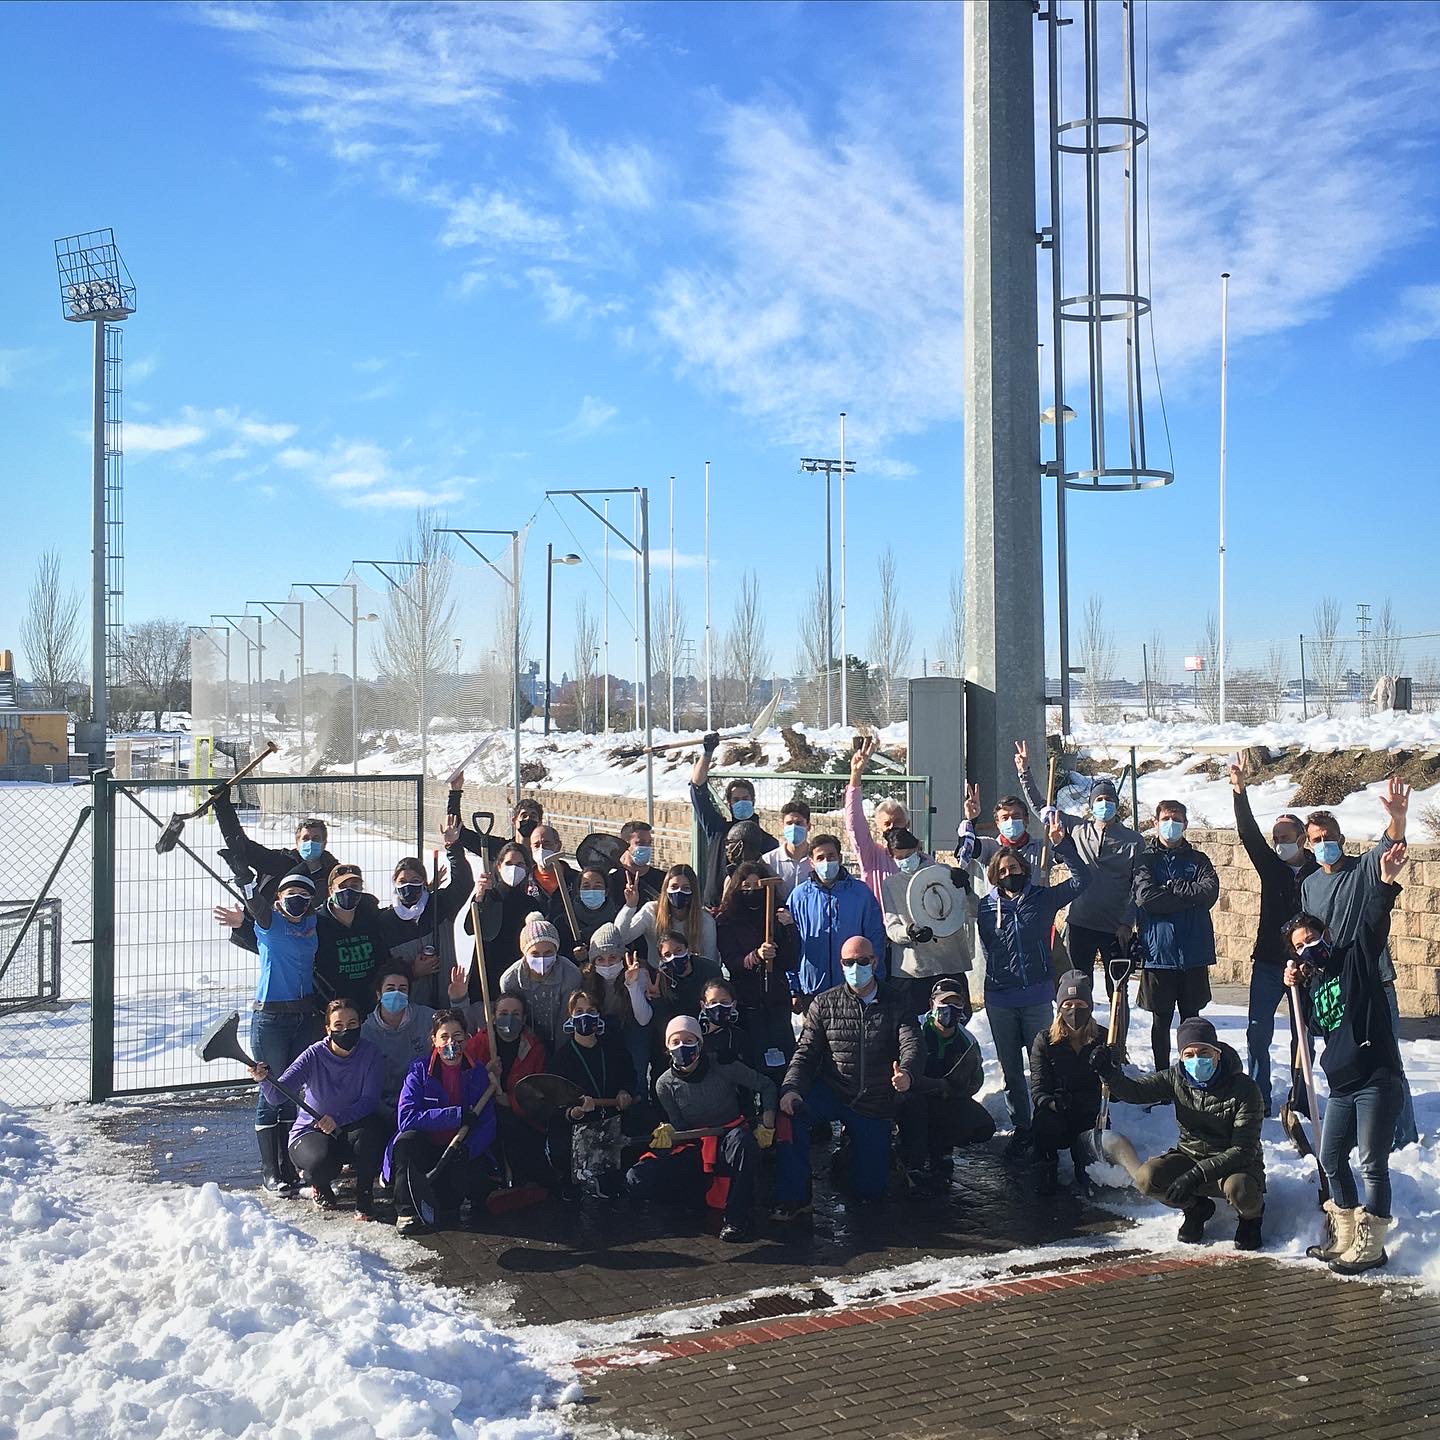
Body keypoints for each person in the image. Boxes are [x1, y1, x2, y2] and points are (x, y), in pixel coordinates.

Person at [1285, 842, 1408, 1274]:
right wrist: (1296, 989)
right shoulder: (1315, 984)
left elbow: (1373, 923)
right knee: (1331, 1158)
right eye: (1300, 945)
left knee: (1372, 1163)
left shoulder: (1355, 960)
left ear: (1327, 935)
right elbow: (1314, 1029)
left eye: (1313, 938)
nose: (1309, 947)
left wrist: (1385, 883)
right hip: (1341, 1084)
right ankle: (1345, 1235)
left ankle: (1372, 1246)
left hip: (1376, 1077)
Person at [1300, 779, 1417, 1151]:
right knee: (1349, 1064)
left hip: (1373, 981)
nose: (1324, 844)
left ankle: (1404, 1139)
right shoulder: (1310, 885)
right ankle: (1360, 1132)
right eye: (1316, 839)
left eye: (1329, 837)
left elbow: (1390, 844)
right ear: (1308, 844)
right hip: (1336, 988)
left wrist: (1398, 818)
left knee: (1387, 1062)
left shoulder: (1363, 869)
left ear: (1341, 838)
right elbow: (1309, 935)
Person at [772, 936, 922, 1217]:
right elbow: (805, 1053)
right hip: (834, 1091)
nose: (856, 967)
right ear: (841, 965)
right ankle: (795, 1197)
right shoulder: (824, 1003)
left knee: (870, 1194)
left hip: (874, 1100)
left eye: (862, 961)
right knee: (790, 1116)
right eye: (849, 962)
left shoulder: (897, 1001)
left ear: (874, 962)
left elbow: (912, 1042)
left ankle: (855, 1157)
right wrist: (791, 1088)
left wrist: (907, 1072)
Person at [1092, 1016, 1266, 1250]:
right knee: (1147, 1177)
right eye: (1189, 1054)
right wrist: (1109, 1074)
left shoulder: (1245, 1089)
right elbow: (1136, 1091)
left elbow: (1243, 1150)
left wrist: (1195, 1175)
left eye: (1204, 1052)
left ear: (1217, 1053)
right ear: (1181, 1057)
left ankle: (1251, 1219)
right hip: (1191, 1155)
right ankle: (1196, 1209)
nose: (1197, 1060)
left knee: (1241, 1189)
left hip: (1235, 1165)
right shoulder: (1176, 1078)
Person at [974, 815, 1089, 1157]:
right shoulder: (986, 907)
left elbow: (1083, 879)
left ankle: (1046, 1125)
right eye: (1002, 871)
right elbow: (986, 945)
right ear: (995, 876)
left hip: (1037, 995)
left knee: (1045, 1065)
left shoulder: (1042, 899)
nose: (1009, 873)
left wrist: (1062, 844)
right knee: (1011, 1071)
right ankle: (1022, 1128)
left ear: (1024, 869)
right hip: (1000, 999)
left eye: (1014, 867)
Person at [213, 870, 320, 1194]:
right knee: (270, 1089)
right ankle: (270, 1169)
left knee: (291, 1091)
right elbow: (256, 906)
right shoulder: (270, 922)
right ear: (279, 899)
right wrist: (243, 879)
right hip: (271, 1017)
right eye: (291, 895)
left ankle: (289, 1165)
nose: (298, 900)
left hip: (304, 1015)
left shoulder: (312, 925)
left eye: (304, 895)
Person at [627, 1015, 776, 1242]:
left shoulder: (724, 1066)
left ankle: (736, 1219)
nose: (682, 1046)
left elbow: (767, 1086)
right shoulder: (664, 1084)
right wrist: (670, 1133)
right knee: (638, 1177)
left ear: (699, 1043)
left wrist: (768, 1121)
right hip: (696, 1144)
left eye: (689, 1040)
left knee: (742, 1141)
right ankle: (685, 1208)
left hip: (729, 1137)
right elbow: (680, 1126)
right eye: (676, 1042)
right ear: (667, 1047)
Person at [1228, 761, 1317, 1116]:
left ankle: (1302, 1096)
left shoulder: (1318, 872)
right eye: (1276, 838)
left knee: (1303, 1034)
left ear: (1302, 838)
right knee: (1258, 1031)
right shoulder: (1271, 867)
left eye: (1286, 837)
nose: (1279, 843)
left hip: (1307, 964)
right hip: (1268, 962)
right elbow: (1248, 833)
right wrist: (1239, 791)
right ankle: (1259, 1096)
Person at [1018, 750, 1142, 998]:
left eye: (1109, 799)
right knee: (1077, 988)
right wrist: (1024, 773)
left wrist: (1128, 922)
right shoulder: (1077, 828)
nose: (1104, 804)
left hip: (1115, 927)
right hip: (1080, 924)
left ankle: (1118, 1026)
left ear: (1116, 804)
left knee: (1118, 992)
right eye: (1099, 799)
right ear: (1091, 805)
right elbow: (1042, 808)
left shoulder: (1134, 841)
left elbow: (1138, 886)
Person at [252, 997, 385, 1217]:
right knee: (320, 1165)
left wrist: (337, 1119)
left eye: (352, 1024)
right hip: (312, 1130)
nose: (346, 1030)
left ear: (360, 1024)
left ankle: (364, 1198)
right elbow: (277, 1096)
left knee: (371, 1138)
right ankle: (319, 1186)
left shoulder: (371, 1053)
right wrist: (264, 1080)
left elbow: (369, 1100)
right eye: (338, 1026)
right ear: (328, 1029)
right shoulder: (313, 1055)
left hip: (350, 1126)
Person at [386, 1008, 499, 1236]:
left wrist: (468, 1148)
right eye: (444, 1037)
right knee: (406, 1143)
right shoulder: (419, 1071)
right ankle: (406, 1211)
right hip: (424, 1148)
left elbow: (487, 1124)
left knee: (450, 1204)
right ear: (434, 1040)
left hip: (455, 1150)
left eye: (457, 1036)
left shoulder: (477, 1073)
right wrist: (455, 1115)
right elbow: (406, 1118)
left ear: (466, 1038)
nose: (451, 1043)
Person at [1132, 800, 1220, 1072]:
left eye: (1177, 819)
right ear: (1156, 823)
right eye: (1166, 819)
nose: (1172, 824)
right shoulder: (1146, 859)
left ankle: (1192, 1073)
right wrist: (1189, 899)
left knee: (1192, 1021)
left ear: (1185, 824)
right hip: (1159, 955)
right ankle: (1161, 1074)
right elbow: (1146, 898)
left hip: (1193, 954)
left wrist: (1174, 887)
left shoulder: (1198, 860)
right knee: (1160, 1021)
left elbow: (1209, 893)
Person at [898, 979, 995, 1192]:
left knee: (984, 1126)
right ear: (931, 1004)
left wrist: (958, 1086)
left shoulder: (968, 1040)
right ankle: (911, 1156)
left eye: (956, 1004)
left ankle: (941, 1147)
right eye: (944, 1003)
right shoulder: (914, 1030)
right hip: (913, 1097)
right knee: (914, 1107)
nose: (950, 1009)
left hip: (947, 1097)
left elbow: (975, 1082)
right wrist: (938, 1084)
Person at [210, 783, 339, 935]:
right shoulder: (279, 862)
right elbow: (242, 844)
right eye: (306, 838)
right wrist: (222, 805)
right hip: (274, 932)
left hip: (317, 936)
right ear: (297, 842)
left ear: (324, 843)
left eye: (316, 839)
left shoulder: (334, 873)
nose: (310, 843)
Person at [463, 991, 559, 1191]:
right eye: (503, 1013)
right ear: (493, 1017)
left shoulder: (534, 1049)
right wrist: (484, 1073)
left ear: (523, 1019)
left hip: (521, 1118)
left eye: (516, 1014)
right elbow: (463, 1084)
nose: (509, 1019)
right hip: (483, 1113)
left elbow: (539, 1094)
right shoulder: (477, 1045)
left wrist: (511, 1101)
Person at [547, 988, 636, 1197]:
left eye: (591, 1011)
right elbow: (556, 1104)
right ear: (571, 1017)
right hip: (578, 1127)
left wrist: (625, 1092)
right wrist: (575, 1112)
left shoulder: (614, 1049)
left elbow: (629, 1075)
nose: (585, 1016)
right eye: (579, 1011)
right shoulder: (561, 1058)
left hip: (613, 1119)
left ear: (599, 1016)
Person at [714, 862, 799, 1079]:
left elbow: (791, 960)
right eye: (746, 885)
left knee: (783, 1059)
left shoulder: (776, 915)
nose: (752, 890)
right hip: (747, 1001)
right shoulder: (727, 920)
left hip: (777, 1000)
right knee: (751, 1060)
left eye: (757, 885)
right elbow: (732, 962)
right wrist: (756, 956)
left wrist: (790, 928)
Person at [377, 819, 473, 1009]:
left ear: (423, 882)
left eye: (415, 880)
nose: (408, 886)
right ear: (394, 882)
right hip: (409, 1008)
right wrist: (412, 971)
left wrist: (453, 847)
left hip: (446, 1000)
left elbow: (464, 883)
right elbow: (382, 968)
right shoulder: (386, 921)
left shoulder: (438, 904)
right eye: (402, 881)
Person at [881, 827, 975, 1019]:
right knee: (912, 1025)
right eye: (900, 857)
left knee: (954, 1021)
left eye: (909, 855)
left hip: (949, 963)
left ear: (918, 848)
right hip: (913, 970)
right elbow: (892, 927)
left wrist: (966, 889)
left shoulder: (944, 873)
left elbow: (974, 910)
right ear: (892, 857)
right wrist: (910, 932)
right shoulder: (890, 884)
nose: (905, 861)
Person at [1028, 970, 1105, 1196]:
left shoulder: (1103, 1039)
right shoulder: (1045, 1040)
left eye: (1080, 1004)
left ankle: (1085, 1167)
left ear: (1089, 1007)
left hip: (1090, 1114)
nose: (1074, 1010)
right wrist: (1053, 1103)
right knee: (1044, 1123)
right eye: (1068, 1004)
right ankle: (1046, 1164)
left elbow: (1117, 1092)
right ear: (1059, 1007)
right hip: (1057, 1112)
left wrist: (1109, 1068)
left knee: (1089, 1174)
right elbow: (1038, 1089)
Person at [788, 833, 887, 1002]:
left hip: (854, 988)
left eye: (831, 856)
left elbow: (875, 938)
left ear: (840, 858)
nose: (826, 862)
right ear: (811, 862)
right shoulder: (799, 897)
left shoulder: (861, 893)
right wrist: (793, 987)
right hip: (812, 990)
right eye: (820, 858)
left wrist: (876, 978)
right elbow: (790, 943)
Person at [690, 734, 777, 906]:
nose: (741, 803)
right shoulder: (717, 830)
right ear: (729, 803)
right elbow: (697, 788)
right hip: (716, 907)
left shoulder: (768, 843)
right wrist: (708, 752)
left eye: (745, 798)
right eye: (736, 800)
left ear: (753, 801)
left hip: (752, 910)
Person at [578, 923, 655, 1100]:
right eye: (600, 959)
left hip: (632, 1025)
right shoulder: (587, 978)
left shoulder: (638, 972)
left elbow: (644, 1019)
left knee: (637, 1066)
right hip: (603, 1025)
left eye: (613, 958)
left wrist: (632, 985)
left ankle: (639, 1100)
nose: (607, 964)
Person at [844, 736, 918, 902]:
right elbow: (854, 825)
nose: (892, 827)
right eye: (887, 823)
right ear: (879, 827)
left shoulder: (921, 859)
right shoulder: (872, 856)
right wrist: (855, 776)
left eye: (897, 822)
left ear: (908, 823)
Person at [359, 967, 437, 1121]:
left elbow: (456, 1030)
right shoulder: (364, 1033)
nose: (396, 993)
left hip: (423, 1106)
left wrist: (458, 999)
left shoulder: (428, 1018)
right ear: (379, 994)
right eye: (390, 989)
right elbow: (362, 1085)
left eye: (402, 989)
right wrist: (388, 1114)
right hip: (384, 1112)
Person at [314, 864, 392, 1017]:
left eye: (355, 886)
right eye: (342, 886)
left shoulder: (371, 919)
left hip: (370, 1008)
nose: (349, 891)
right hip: (333, 1012)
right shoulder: (317, 923)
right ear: (331, 890)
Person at [498, 914, 583, 1050]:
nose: (542, 959)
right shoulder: (510, 980)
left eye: (548, 953)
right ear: (524, 953)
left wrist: (558, 1054)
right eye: (535, 954)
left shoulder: (571, 975)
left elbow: (566, 1019)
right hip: (525, 1043)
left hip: (561, 1038)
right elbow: (514, 1020)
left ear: (556, 951)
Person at [467, 843, 537, 994]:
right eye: (509, 863)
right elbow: (469, 928)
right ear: (499, 866)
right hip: (487, 972)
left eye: (520, 864)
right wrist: (479, 897)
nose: (514, 868)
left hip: (517, 973)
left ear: (526, 868)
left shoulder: (531, 903)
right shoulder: (489, 896)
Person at [615, 863, 718, 963]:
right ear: (666, 889)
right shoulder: (651, 910)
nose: (679, 891)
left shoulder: (705, 920)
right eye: (674, 887)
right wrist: (630, 905)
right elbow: (621, 937)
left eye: (686, 888)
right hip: (658, 971)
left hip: (693, 972)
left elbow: (710, 959)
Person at [957, 782, 1052, 881]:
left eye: (1016, 816)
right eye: (1005, 818)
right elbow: (968, 847)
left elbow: (1062, 855)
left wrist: (1059, 837)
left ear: (1026, 819)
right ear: (997, 823)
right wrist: (971, 819)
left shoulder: (1042, 848)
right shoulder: (989, 847)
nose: (1011, 821)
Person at [525, 824, 580, 954]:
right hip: (537, 953)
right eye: (536, 845)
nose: (541, 849)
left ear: (558, 846)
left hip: (570, 950)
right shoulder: (524, 882)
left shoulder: (577, 879)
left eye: (547, 844)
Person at [761, 798, 813, 899]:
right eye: (789, 823)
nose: (793, 827)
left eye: (798, 823)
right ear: (782, 826)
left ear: (809, 826)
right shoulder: (768, 861)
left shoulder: (818, 860)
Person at [609, 820, 664, 912]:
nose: (646, 847)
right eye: (640, 843)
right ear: (625, 845)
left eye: (649, 843)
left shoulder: (662, 878)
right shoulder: (612, 881)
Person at [571, 865, 621, 957]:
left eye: (598, 886)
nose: (592, 890)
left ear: (606, 892)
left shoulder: (618, 918)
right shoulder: (567, 919)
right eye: (586, 886)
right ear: (579, 891)